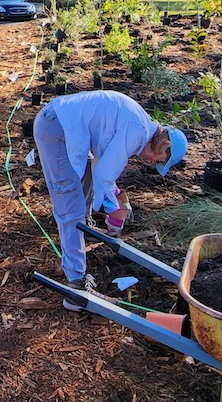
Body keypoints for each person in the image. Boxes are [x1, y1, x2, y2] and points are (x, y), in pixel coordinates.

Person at [32, 90, 188, 309]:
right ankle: (76, 285)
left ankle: (82, 231)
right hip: (57, 129)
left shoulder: (140, 127)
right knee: (71, 205)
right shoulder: (137, 130)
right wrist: (113, 206)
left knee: (84, 185)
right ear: (165, 146)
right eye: (159, 161)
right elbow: (104, 174)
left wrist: (111, 198)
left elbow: (99, 166)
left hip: (66, 126)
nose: (153, 164)